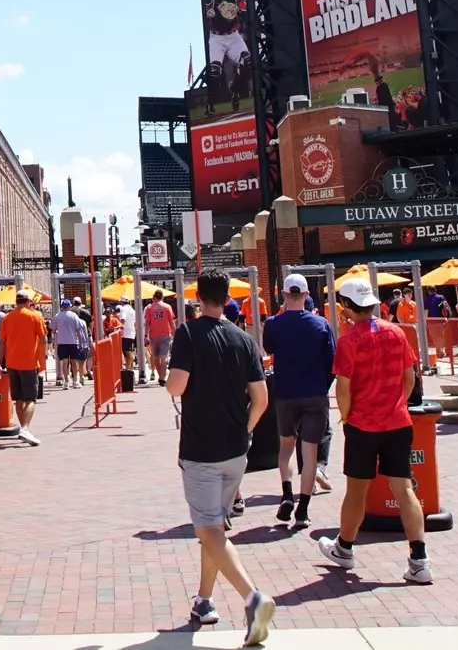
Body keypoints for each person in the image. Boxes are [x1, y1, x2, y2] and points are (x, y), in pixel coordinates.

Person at [165, 273, 275, 643]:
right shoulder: (244, 339)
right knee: (214, 529)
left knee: (209, 529)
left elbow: (176, 385)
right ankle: (205, 599)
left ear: (198, 296)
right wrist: (246, 431)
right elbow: (260, 399)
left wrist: (175, 376)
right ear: (228, 298)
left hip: (200, 448)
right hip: (235, 449)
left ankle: (253, 597)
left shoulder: (188, 333)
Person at [317, 277, 431, 584]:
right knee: (404, 489)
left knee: (357, 491)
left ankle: (344, 547)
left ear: (347, 307)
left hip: (363, 424)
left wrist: (346, 417)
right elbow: (410, 378)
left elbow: (343, 388)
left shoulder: (348, 340)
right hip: (397, 422)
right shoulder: (396, 332)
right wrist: (398, 404)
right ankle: (419, 559)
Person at [263, 273, 335, 531]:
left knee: (286, 447)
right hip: (314, 392)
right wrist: (321, 387)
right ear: (306, 295)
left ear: (283, 295)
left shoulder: (273, 323)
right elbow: (332, 363)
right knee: (310, 450)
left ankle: (286, 494)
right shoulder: (321, 324)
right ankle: (303, 508)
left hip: (285, 393)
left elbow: (268, 348)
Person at [0, 288, 47, 446]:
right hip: (29, 363)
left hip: (11, 363)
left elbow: (2, 343)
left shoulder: (7, 317)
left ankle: (23, 429)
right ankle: (25, 428)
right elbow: (43, 339)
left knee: (18, 398)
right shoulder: (35, 316)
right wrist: (42, 360)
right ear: (28, 302)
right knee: (31, 398)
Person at [51, 300, 86, 389]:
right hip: (73, 342)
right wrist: (81, 342)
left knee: (65, 363)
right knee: (74, 362)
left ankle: (66, 381)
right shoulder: (74, 316)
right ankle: (75, 381)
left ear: (62, 306)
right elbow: (78, 331)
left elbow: (53, 330)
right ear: (70, 306)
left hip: (62, 342)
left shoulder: (57, 316)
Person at [146, 290, 177, 382]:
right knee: (164, 357)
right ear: (162, 297)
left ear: (154, 297)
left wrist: (145, 335)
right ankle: (162, 378)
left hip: (153, 335)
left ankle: (160, 376)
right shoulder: (167, 307)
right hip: (165, 334)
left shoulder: (149, 307)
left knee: (155, 357)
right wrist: (175, 333)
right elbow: (171, 322)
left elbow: (148, 322)